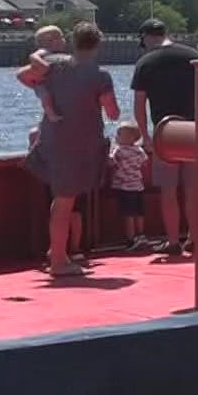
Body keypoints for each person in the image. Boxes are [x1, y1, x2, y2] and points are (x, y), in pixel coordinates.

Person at [23, 21, 119, 277]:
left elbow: (24, 75)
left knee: (61, 201)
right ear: (97, 44)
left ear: (73, 42)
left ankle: (57, 253)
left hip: (53, 140)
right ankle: (58, 260)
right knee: (65, 203)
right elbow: (112, 112)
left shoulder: (54, 66)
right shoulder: (100, 76)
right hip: (80, 144)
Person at [130, 18, 198, 255]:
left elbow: (139, 104)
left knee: (168, 191)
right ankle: (194, 238)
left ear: (146, 38)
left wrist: (145, 137)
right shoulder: (194, 56)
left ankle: (172, 242)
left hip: (165, 133)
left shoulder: (146, 62)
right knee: (193, 190)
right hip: (195, 133)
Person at [108, 121, 149, 246]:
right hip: (138, 186)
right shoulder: (139, 150)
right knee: (139, 212)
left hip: (124, 187)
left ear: (130, 137)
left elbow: (111, 162)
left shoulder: (119, 150)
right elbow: (145, 163)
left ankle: (130, 239)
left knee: (128, 214)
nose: (116, 137)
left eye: (119, 135)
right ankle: (141, 235)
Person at [23, 25, 67, 124]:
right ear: (51, 41)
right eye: (61, 37)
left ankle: (51, 113)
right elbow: (33, 56)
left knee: (48, 98)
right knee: (46, 99)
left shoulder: (54, 54)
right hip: (41, 83)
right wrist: (44, 65)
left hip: (45, 82)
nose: (64, 40)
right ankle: (51, 115)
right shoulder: (45, 51)